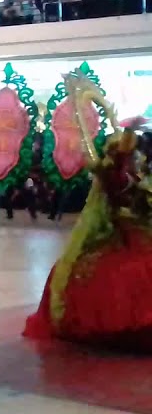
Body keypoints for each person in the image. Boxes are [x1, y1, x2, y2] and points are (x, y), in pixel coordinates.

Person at [23, 78, 152, 352]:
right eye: (128, 153)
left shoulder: (135, 172)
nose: (134, 156)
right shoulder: (112, 174)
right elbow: (119, 189)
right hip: (123, 234)